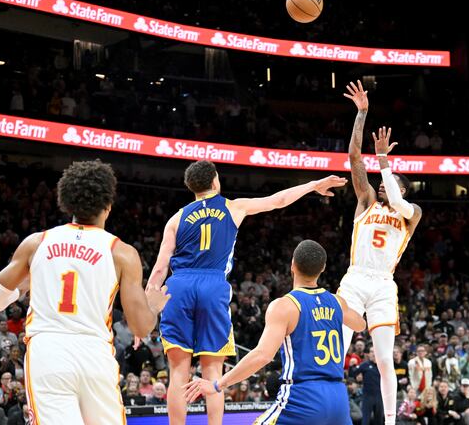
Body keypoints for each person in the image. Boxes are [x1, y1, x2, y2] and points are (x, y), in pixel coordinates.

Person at [147, 161, 346, 425]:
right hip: (213, 284)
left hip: (179, 285)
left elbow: (160, 270)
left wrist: (147, 312)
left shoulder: (177, 218)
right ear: (215, 181)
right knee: (213, 371)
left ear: (191, 187)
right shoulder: (233, 206)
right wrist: (312, 185)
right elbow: (278, 200)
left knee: (178, 371)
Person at [0, 160, 170, 424]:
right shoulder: (122, 252)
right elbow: (141, 328)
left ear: (66, 203)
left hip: (47, 353)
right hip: (95, 354)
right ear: (108, 206)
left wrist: (24, 285)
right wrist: (154, 306)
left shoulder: (36, 243)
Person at [183, 240, 366, 425]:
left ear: (292, 265)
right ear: (323, 268)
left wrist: (217, 384)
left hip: (304, 397)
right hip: (338, 398)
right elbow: (360, 325)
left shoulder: (284, 306)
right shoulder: (337, 302)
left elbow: (262, 355)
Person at [339, 81, 423, 425]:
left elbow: (400, 200)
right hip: (356, 279)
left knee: (385, 359)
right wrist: (361, 115)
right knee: (337, 352)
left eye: (395, 185)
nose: (390, 189)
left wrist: (386, 162)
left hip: (383, 286)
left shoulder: (411, 212)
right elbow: (355, 158)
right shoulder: (367, 201)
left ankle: (390, 421)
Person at [352, 349, 384, 425]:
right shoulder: (365, 364)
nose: (373, 354)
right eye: (371, 352)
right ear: (369, 354)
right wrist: (352, 365)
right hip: (367, 396)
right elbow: (352, 373)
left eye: (375, 351)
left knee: (379, 420)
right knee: (365, 420)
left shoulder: (382, 365)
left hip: (380, 396)